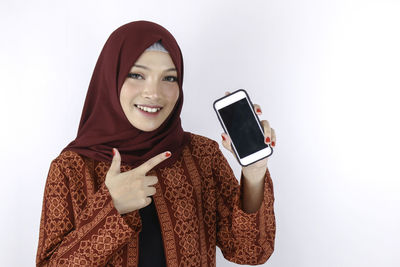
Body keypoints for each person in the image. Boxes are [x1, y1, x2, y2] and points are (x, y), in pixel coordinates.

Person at [36, 20, 276, 267]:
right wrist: (110, 208)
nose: (154, 93)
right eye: (137, 75)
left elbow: (251, 251)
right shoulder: (71, 169)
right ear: (111, 77)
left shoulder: (202, 155)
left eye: (169, 78)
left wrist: (254, 173)